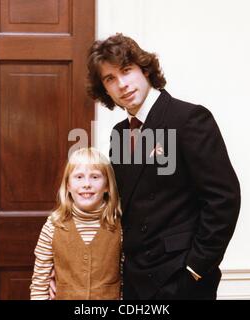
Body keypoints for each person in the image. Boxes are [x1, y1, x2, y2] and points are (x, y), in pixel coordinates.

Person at [85, 33, 241, 300]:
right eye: (110, 78)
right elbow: (119, 204)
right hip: (135, 280)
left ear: (145, 70)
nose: (121, 84)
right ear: (105, 89)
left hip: (181, 280)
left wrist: (195, 269)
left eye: (126, 70)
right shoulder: (120, 133)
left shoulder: (189, 118)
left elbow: (223, 200)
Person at [30, 147, 122, 300]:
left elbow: (127, 281)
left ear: (107, 186)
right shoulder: (53, 226)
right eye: (79, 177)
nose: (87, 184)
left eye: (95, 177)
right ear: (68, 185)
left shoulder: (119, 226)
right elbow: (40, 283)